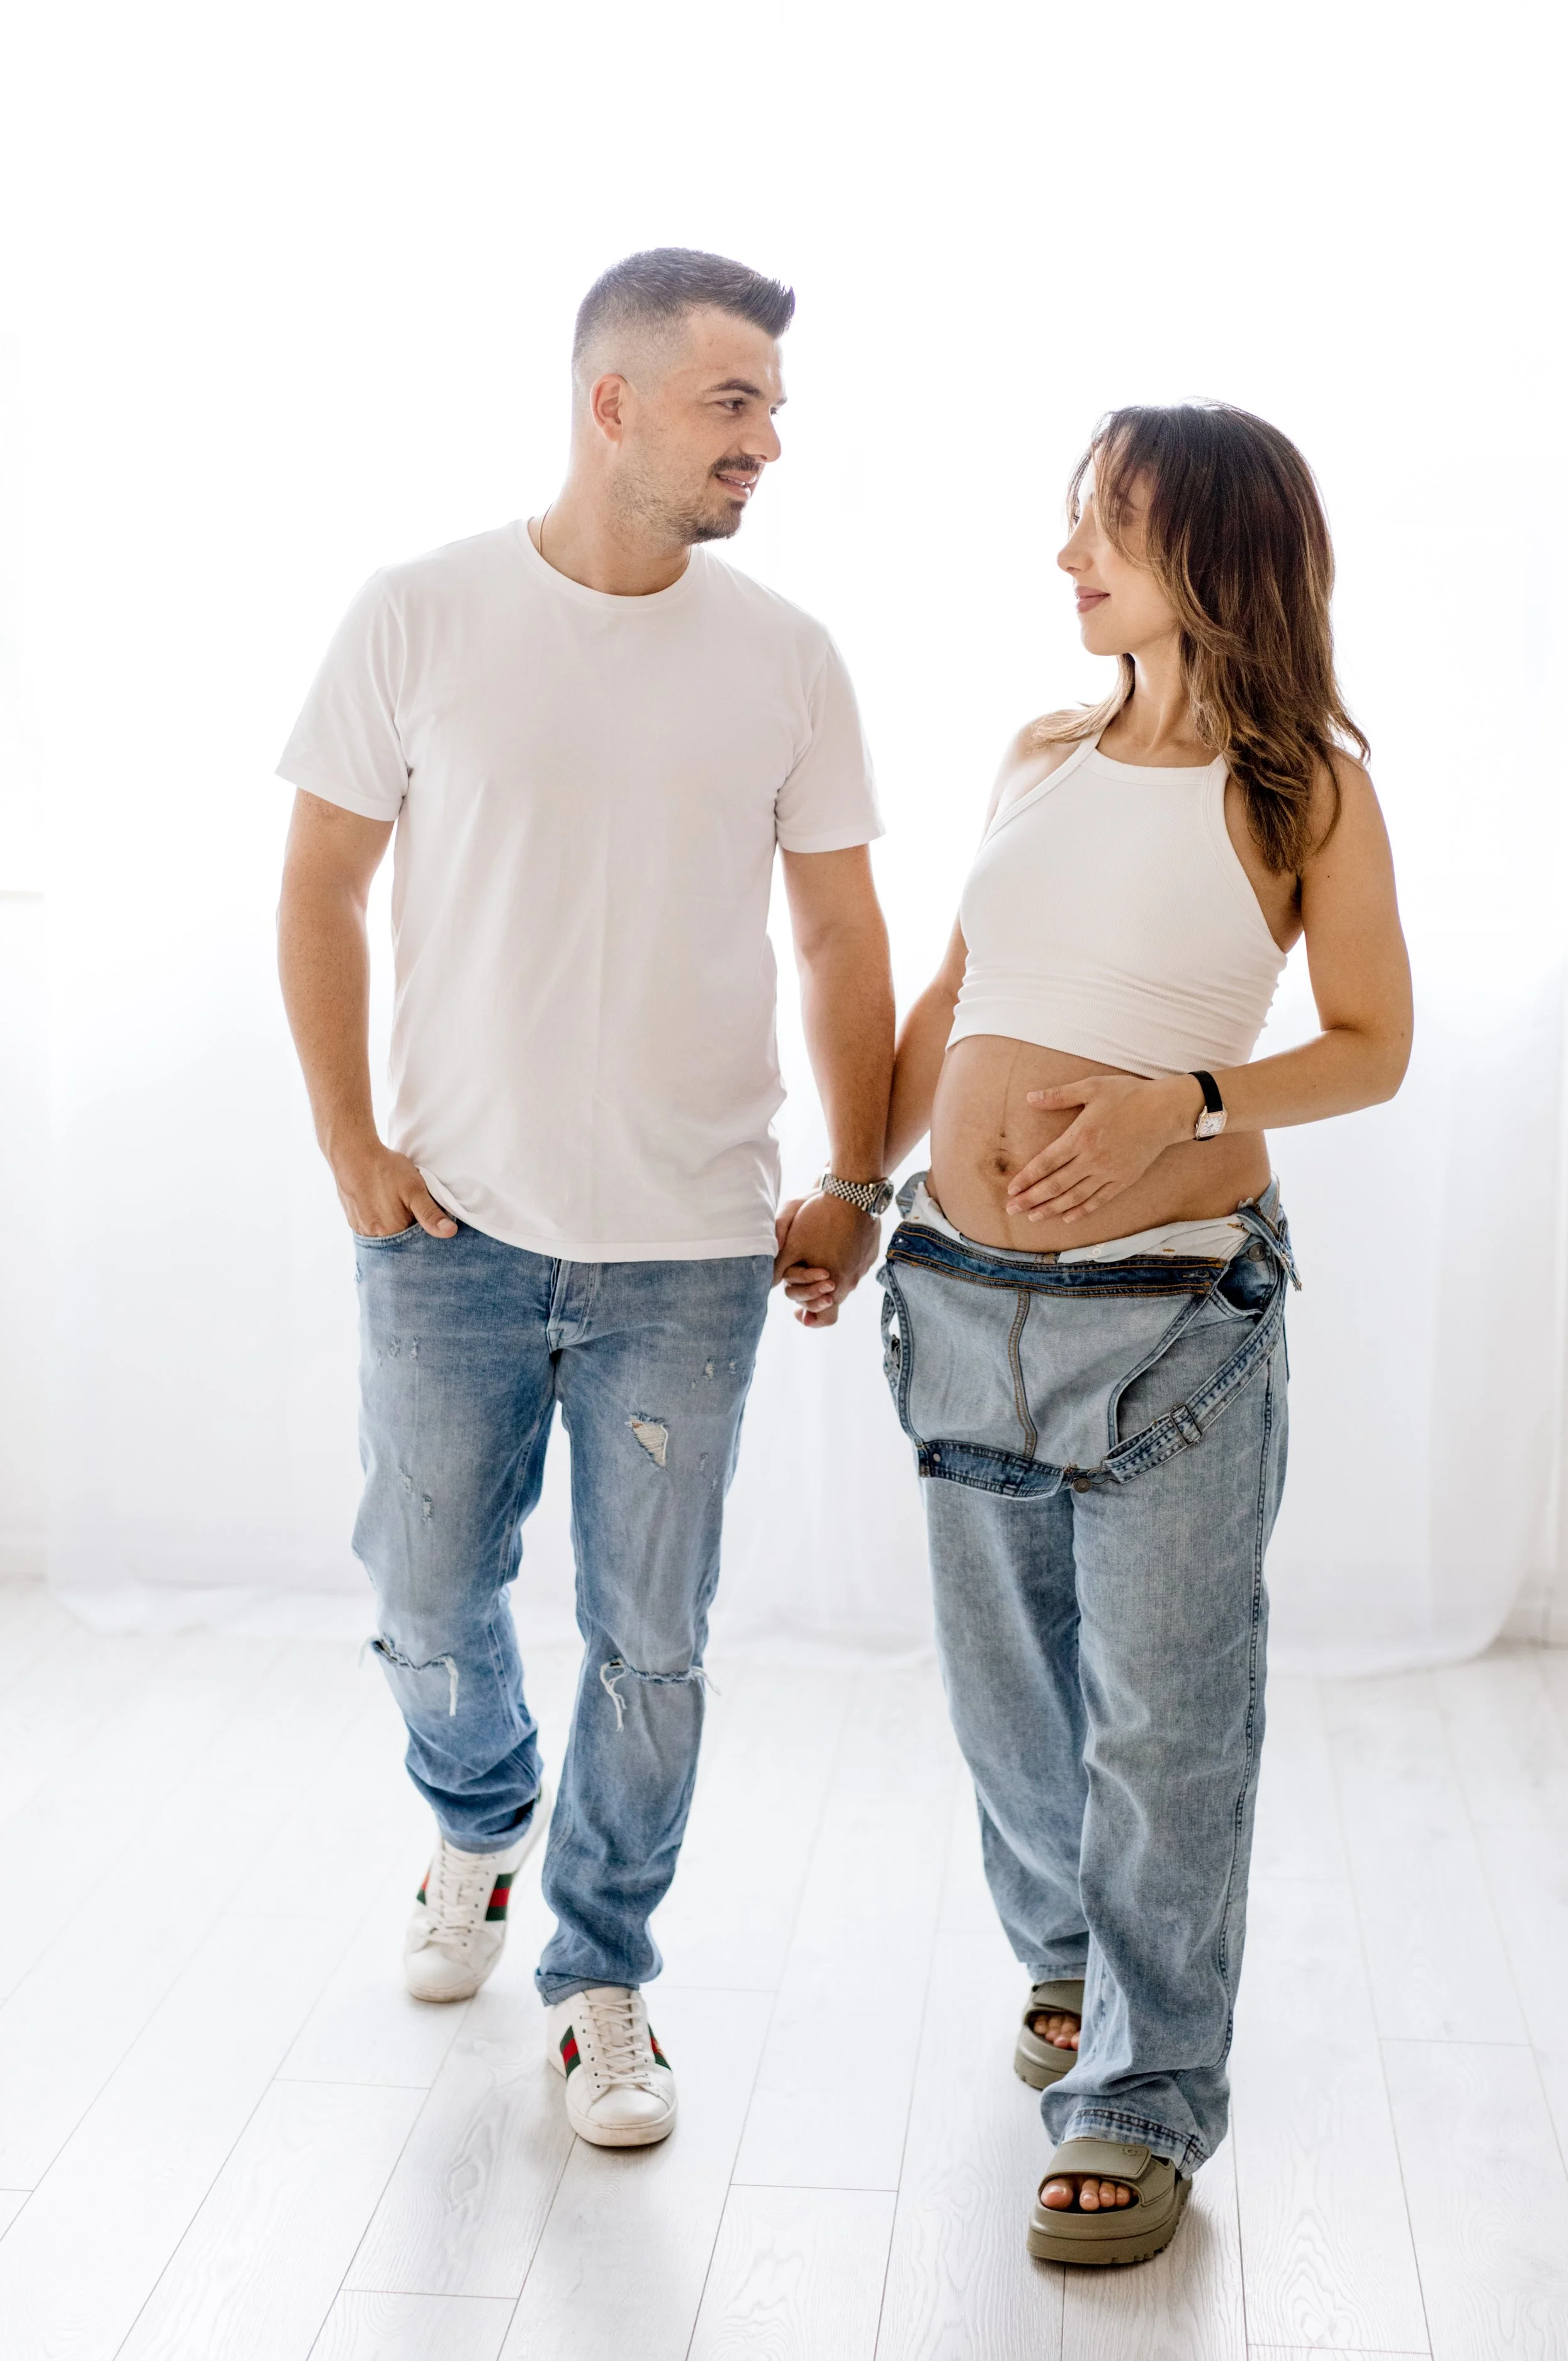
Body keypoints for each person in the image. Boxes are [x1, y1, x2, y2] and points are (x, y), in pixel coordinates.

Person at [276, 248, 895, 2151]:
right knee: (424, 1588)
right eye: (733, 403)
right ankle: (477, 1820)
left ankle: (600, 1969)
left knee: (654, 1635)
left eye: (772, 408)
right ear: (608, 403)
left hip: (690, 1248)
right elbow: (318, 892)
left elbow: (838, 929)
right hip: (449, 1230)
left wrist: (860, 1175)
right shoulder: (420, 612)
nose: (767, 441)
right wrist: (356, 1150)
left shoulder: (783, 652)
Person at [881, 403, 1411, 2264]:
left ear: (1211, 544)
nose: (1066, 559)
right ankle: (1065, 1964)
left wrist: (1180, 1095)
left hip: (1167, 1320)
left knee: (1162, 1725)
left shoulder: (1302, 787)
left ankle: (1138, 2092)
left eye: (1100, 524)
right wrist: (843, 1177)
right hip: (954, 1295)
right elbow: (955, 993)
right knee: (1009, 1702)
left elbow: (1368, 1041)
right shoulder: (1036, 751)